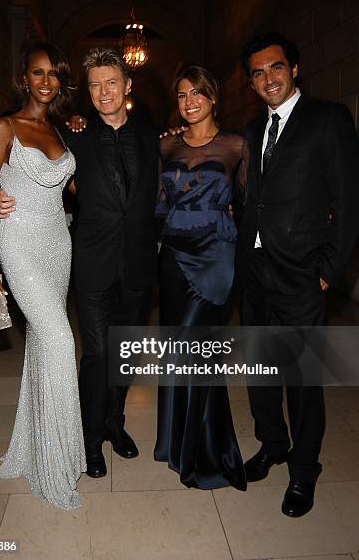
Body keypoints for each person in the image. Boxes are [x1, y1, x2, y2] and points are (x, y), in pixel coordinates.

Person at [0, 46, 160, 479]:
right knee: (97, 353)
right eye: (95, 85)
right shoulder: (74, 136)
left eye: (111, 83)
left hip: (139, 263)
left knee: (124, 355)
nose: (104, 92)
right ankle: (90, 439)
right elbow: (37, 174)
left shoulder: (151, 135)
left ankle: (116, 425)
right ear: (87, 92)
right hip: (91, 261)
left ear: (127, 86)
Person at [237, 31, 359, 517]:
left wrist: (327, 273)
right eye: (258, 72)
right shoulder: (251, 131)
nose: (268, 78)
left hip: (303, 275)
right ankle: (273, 444)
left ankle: (304, 470)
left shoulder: (328, 120)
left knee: (303, 379)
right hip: (256, 272)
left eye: (276, 68)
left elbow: (348, 205)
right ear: (251, 82)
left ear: (294, 69)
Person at [0, 43, 86, 509]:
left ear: (61, 81)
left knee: (44, 344)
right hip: (17, 243)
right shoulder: (5, 127)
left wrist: (87, 132)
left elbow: (79, 189)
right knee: (62, 342)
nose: (45, 81)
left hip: (58, 245)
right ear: (25, 79)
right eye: (37, 73)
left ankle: (39, 447)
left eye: (53, 74)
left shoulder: (62, 132)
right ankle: (59, 461)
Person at [154, 65, 248, 491]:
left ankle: (206, 452)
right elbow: (159, 203)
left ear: (213, 97)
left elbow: (251, 203)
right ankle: (175, 442)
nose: (189, 101)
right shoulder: (167, 145)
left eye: (198, 93)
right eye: (182, 94)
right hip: (173, 254)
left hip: (214, 255)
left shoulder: (236, 145)